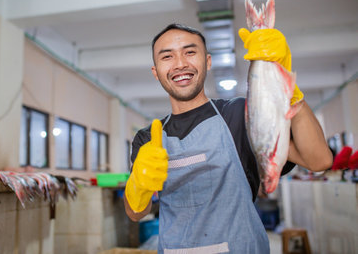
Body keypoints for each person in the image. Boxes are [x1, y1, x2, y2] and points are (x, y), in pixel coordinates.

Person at [123, 23, 333, 253]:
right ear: (155, 71)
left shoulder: (239, 114)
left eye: (190, 52)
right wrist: (138, 186)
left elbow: (318, 161)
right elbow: (135, 213)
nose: (180, 64)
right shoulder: (148, 138)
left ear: (208, 62)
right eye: (167, 57)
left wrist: (289, 91)